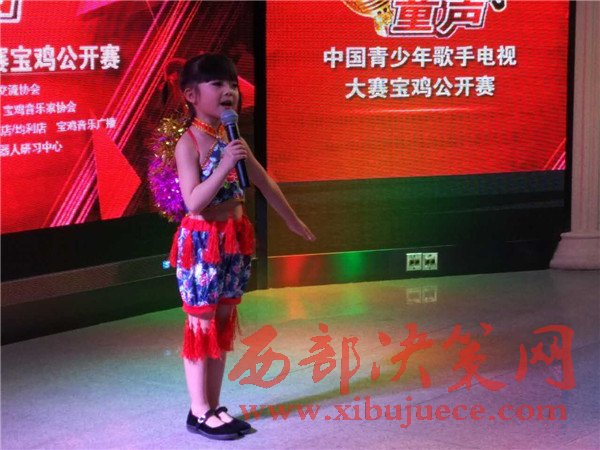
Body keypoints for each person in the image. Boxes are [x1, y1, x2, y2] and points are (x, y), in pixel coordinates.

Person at [169, 53, 315, 440]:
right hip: (202, 243)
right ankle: (199, 411)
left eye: (232, 84)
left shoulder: (232, 139)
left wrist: (292, 220)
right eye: (217, 84)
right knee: (201, 325)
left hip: (234, 240)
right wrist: (223, 165)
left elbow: (264, 183)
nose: (228, 91)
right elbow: (193, 202)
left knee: (220, 323)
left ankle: (214, 406)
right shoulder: (188, 143)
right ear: (191, 95)